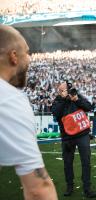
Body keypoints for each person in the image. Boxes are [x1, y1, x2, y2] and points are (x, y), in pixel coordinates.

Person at [0, 24, 57, 200]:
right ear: (14, 56)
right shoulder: (8, 98)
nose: (30, 59)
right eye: (27, 52)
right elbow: (38, 189)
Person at [51, 82, 96, 198]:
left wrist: (76, 99)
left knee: (86, 162)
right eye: (65, 90)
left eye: (68, 89)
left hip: (82, 134)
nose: (68, 91)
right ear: (60, 91)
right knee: (67, 163)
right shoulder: (57, 100)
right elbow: (55, 113)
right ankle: (69, 186)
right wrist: (63, 99)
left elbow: (89, 107)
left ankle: (87, 188)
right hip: (67, 137)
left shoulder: (76, 96)